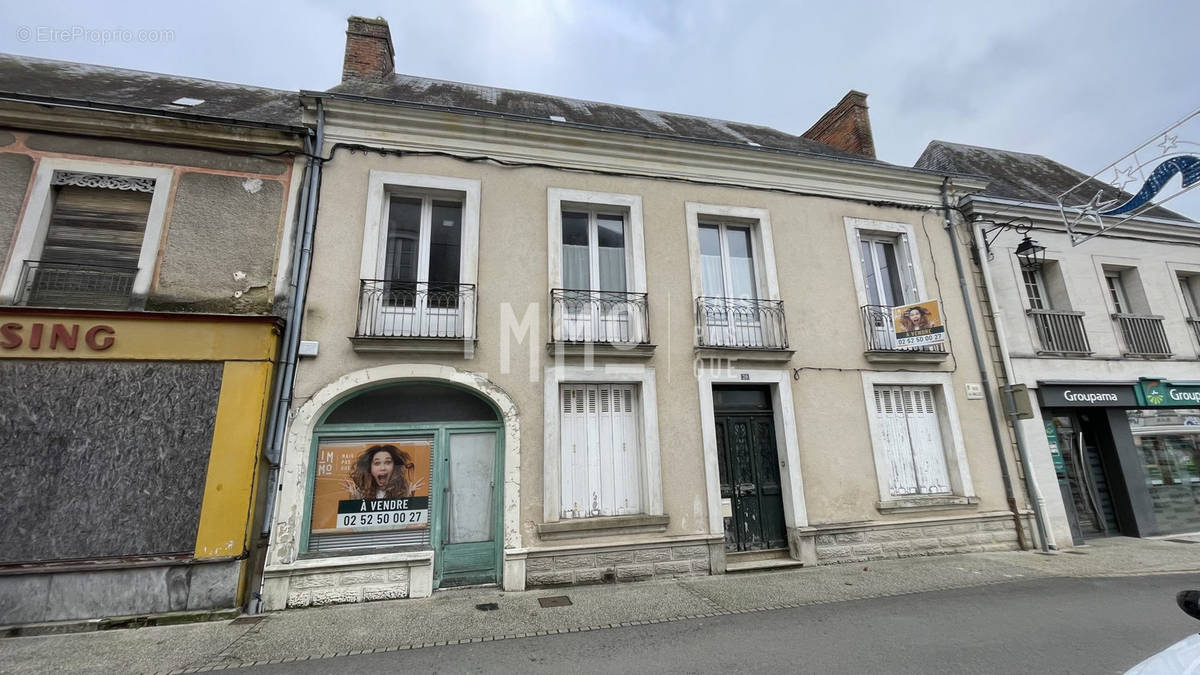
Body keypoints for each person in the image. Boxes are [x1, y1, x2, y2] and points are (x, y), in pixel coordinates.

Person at [344, 444, 424, 499]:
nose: (382, 468)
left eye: (388, 462)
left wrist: (410, 497)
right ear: (370, 469)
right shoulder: (361, 493)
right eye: (377, 463)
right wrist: (353, 498)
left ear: (394, 467)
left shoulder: (402, 492)